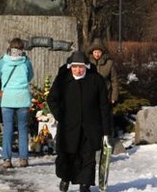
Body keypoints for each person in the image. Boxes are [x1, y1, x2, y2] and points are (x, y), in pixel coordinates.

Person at [47, 51, 111, 192]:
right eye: (75, 66)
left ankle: (85, 184)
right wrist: (60, 116)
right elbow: (52, 99)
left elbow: (104, 106)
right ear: (70, 67)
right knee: (68, 155)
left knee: (88, 157)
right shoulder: (63, 79)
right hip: (69, 127)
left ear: (86, 67)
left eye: (81, 67)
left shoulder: (96, 80)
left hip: (91, 127)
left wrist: (106, 131)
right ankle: (65, 179)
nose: (78, 70)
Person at [0, 37, 34, 168]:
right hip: (22, 97)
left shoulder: (3, 61)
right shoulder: (26, 62)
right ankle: (23, 158)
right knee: (23, 129)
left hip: (7, 98)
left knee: (7, 129)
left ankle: (7, 159)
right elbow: (30, 76)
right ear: (22, 48)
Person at [87, 38, 119, 105]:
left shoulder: (109, 63)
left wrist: (113, 97)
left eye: (99, 52)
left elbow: (114, 81)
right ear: (92, 52)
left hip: (105, 94)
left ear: (102, 52)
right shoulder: (87, 63)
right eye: (95, 52)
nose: (97, 54)